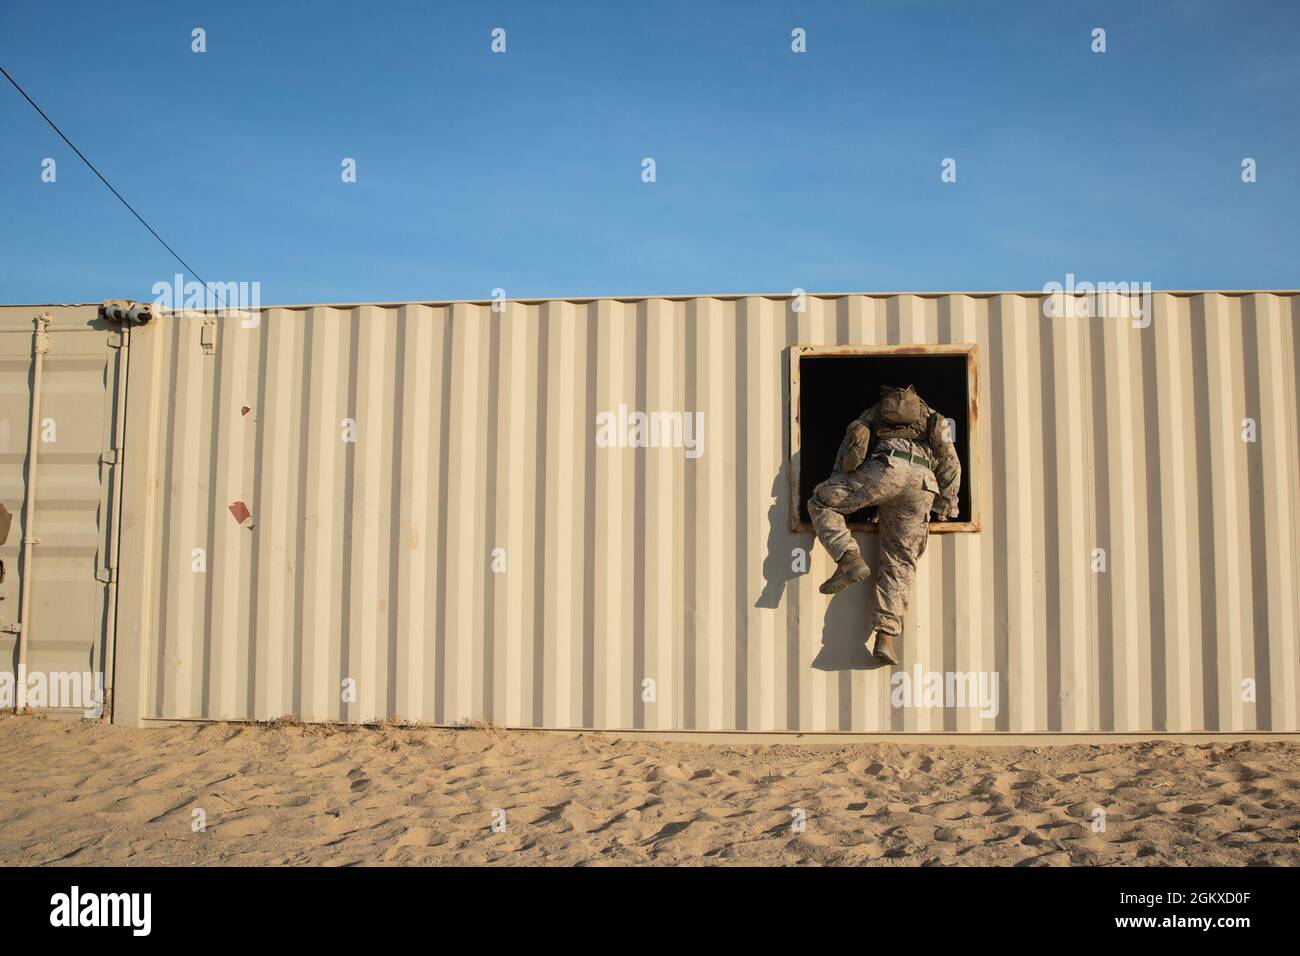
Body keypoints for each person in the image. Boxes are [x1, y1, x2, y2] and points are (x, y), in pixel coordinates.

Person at [807, 384, 961, 665]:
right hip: (923, 483)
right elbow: (951, 461)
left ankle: (848, 557)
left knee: (820, 502)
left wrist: (842, 491)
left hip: (886, 469)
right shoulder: (932, 416)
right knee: (899, 559)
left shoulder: (873, 412)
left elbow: (849, 449)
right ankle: (885, 637)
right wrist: (946, 507)